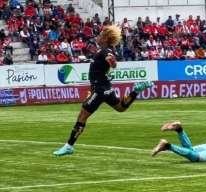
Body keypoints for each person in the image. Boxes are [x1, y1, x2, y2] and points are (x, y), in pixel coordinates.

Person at [53, 25, 153, 156]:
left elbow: (111, 59)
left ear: (106, 38)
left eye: (100, 35)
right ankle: (135, 90)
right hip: (104, 88)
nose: (98, 37)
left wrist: (112, 62)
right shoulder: (105, 50)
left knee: (82, 116)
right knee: (121, 108)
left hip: (100, 89)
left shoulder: (105, 51)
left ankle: (69, 146)